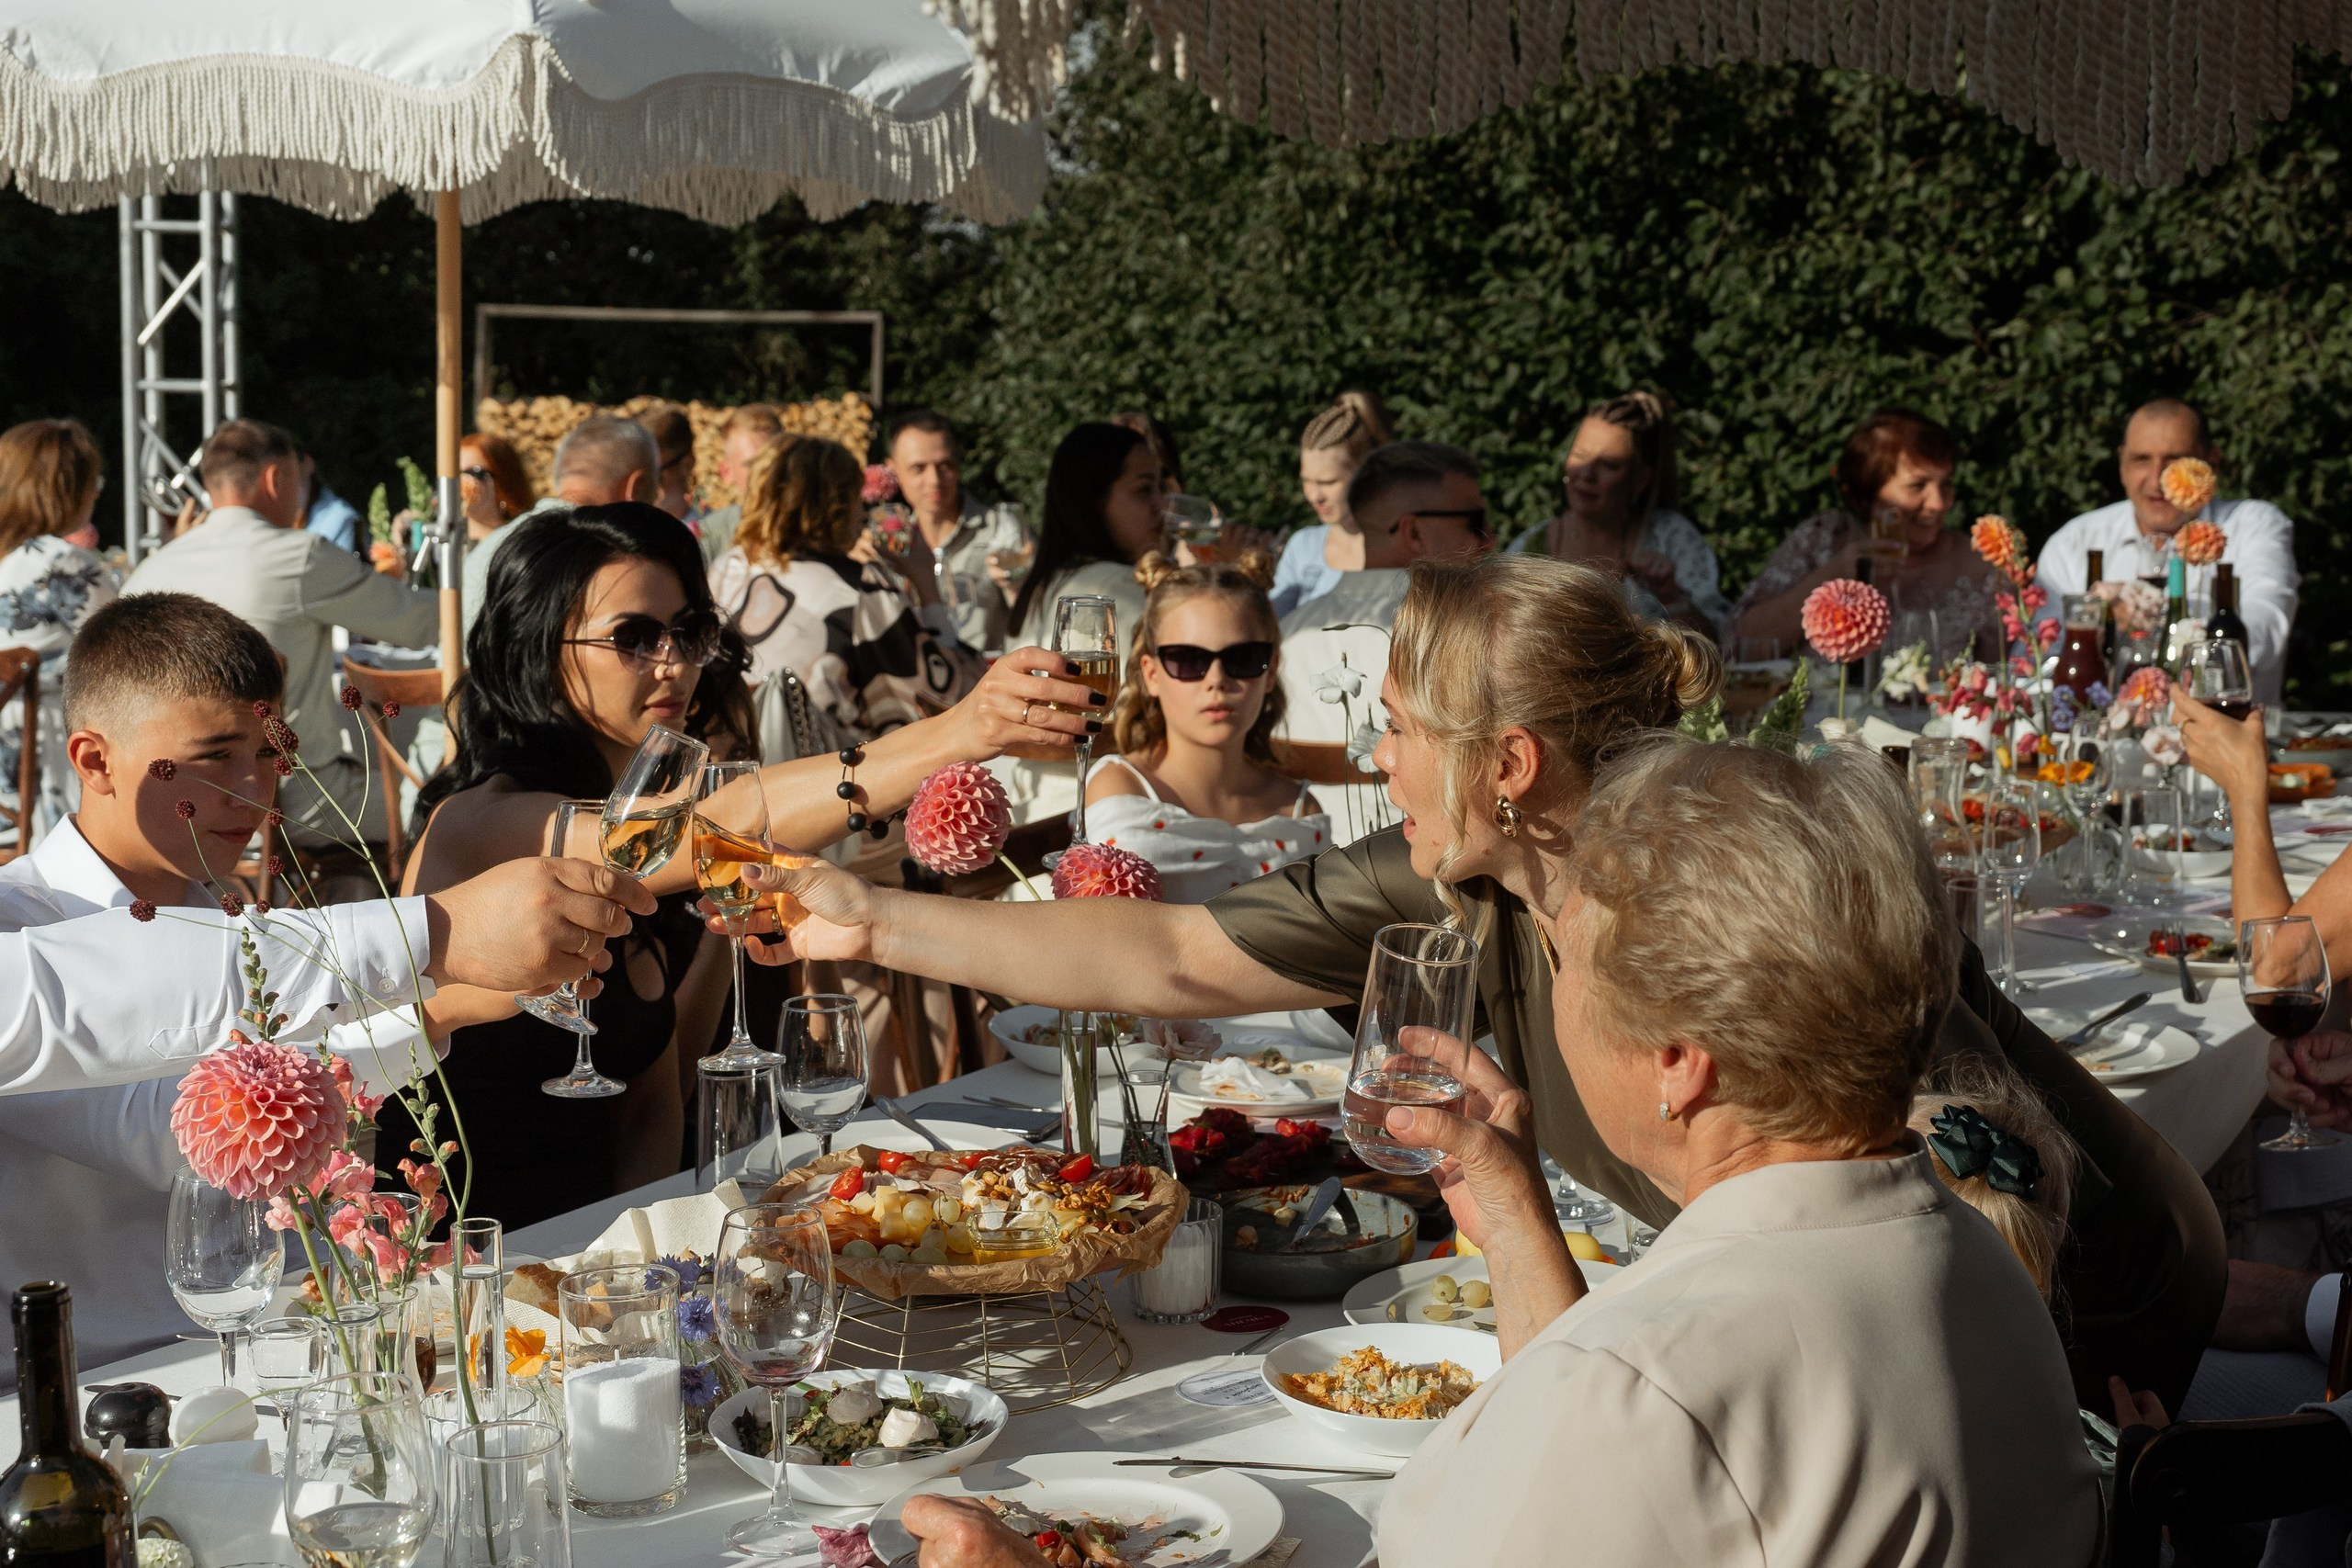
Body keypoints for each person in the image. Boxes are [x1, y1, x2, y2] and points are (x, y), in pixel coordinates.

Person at [741, 552, 2229, 1414]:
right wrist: (860, 918)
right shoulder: (1458, 869)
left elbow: (1959, 1182)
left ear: (1509, 765)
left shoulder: (1736, 888)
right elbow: (1173, 949)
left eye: (1393, 726)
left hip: (2077, 1317)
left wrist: (2055, 1401)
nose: (1372, 760)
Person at [900, 739, 2105, 1567]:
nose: (1548, 986)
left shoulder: (1654, 1379)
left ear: (1681, 1054)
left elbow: (1630, 1409)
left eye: (1571, 957)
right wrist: (1516, 1217)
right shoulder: (1970, 1255)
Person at [401, 502, 1101, 1224]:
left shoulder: (650, 837)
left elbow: (656, 1104)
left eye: (690, 632)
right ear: (541, 650)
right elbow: (704, 824)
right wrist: (963, 729)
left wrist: (653, 1266)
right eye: (633, 637)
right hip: (469, 1257)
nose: (673, 662)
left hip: (594, 1257)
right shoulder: (482, 821)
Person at [0, 593, 527, 1382]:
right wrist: (437, 996)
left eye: (269, 752)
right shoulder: (18, 931)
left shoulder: (226, 908)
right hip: (89, 1392)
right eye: (216, 755)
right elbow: (173, 1134)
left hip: (267, 1355)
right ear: (94, 760)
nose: (255, 788)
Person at [123, 419, 440, 842]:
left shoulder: (148, 574)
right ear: (276, 478)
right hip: (286, 803)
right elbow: (421, 623)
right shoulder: (299, 557)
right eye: (302, 479)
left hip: (171, 809)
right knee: (448, 806)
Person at [1082, 551, 1325, 901]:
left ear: (1270, 671)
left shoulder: (1301, 810)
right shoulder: (1122, 789)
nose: (1217, 680)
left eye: (1242, 659)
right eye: (1188, 659)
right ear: (1151, 674)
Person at [712, 435, 982, 743]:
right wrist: (927, 585)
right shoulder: (859, 591)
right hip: (824, 776)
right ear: (839, 505)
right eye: (857, 498)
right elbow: (947, 701)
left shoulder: (727, 569)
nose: (862, 511)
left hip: (730, 763)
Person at [2038, 399, 2299, 705]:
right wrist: (2098, 619)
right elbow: (2037, 659)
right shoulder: (2074, 542)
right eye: (2141, 459)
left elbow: (2265, 630)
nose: (2159, 479)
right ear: (2122, 465)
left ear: (2211, 463)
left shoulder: (2252, 526)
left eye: (2175, 461)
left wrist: (2171, 629)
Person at [1721, 410, 1997, 658]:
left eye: (1945, 484)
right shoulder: (1823, 539)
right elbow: (1741, 644)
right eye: (1917, 486)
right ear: (1868, 493)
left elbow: (2007, 669)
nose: (1938, 503)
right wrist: (1836, 573)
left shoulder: (1978, 563)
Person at [1275, 442, 1491, 754]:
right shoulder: (1462, 632)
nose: (1490, 539)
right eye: (1474, 522)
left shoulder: (1286, 635)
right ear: (1413, 533)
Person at [1505, 391, 1728, 637]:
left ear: (1640, 480)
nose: (1586, 474)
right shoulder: (1530, 548)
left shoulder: (1671, 538)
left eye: (1609, 465)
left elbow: (1720, 645)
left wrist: (1671, 595)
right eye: (1580, 455)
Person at [0, 418, 119, 833]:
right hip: (44, 772)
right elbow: (124, 657)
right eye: (94, 483)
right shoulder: (61, 563)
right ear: (71, 491)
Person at [460, 413, 660, 637]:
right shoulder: (613, 558)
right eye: (655, 486)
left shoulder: (486, 551)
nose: (659, 497)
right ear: (636, 487)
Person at [1008, 423, 1164, 661]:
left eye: (1159, 488)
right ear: (1094, 500)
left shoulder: (1046, 584)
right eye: (1144, 489)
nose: (1161, 505)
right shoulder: (1113, 588)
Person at [885, 409, 1029, 654]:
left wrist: (1017, 586)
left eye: (945, 465)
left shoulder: (1002, 531)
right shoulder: (886, 544)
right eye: (919, 468)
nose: (934, 480)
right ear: (893, 470)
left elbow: (1038, 622)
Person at [1269, 391, 1393, 617]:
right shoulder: (1303, 548)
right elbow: (1273, 629)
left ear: (1368, 472)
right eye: (1306, 480)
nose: (1314, 496)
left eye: (1328, 482)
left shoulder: (1405, 547)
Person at [697, 403, 786, 566]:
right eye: (754, 464)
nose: (767, 473)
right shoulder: (712, 535)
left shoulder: (810, 528)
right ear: (726, 472)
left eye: (774, 461)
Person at [460, 433, 536, 542]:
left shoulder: (523, 540)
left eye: (474, 473)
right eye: (456, 474)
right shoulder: (440, 543)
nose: (462, 480)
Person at [639, 401, 700, 524]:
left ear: (686, 465)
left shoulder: (712, 534)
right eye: (639, 479)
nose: (643, 488)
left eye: (655, 475)